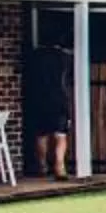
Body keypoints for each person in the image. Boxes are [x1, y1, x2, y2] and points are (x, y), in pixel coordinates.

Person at [22, 42, 75, 179]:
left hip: (39, 99)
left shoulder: (34, 58)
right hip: (59, 99)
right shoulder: (64, 58)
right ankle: (59, 166)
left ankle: (42, 165)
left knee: (42, 134)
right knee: (60, 135)